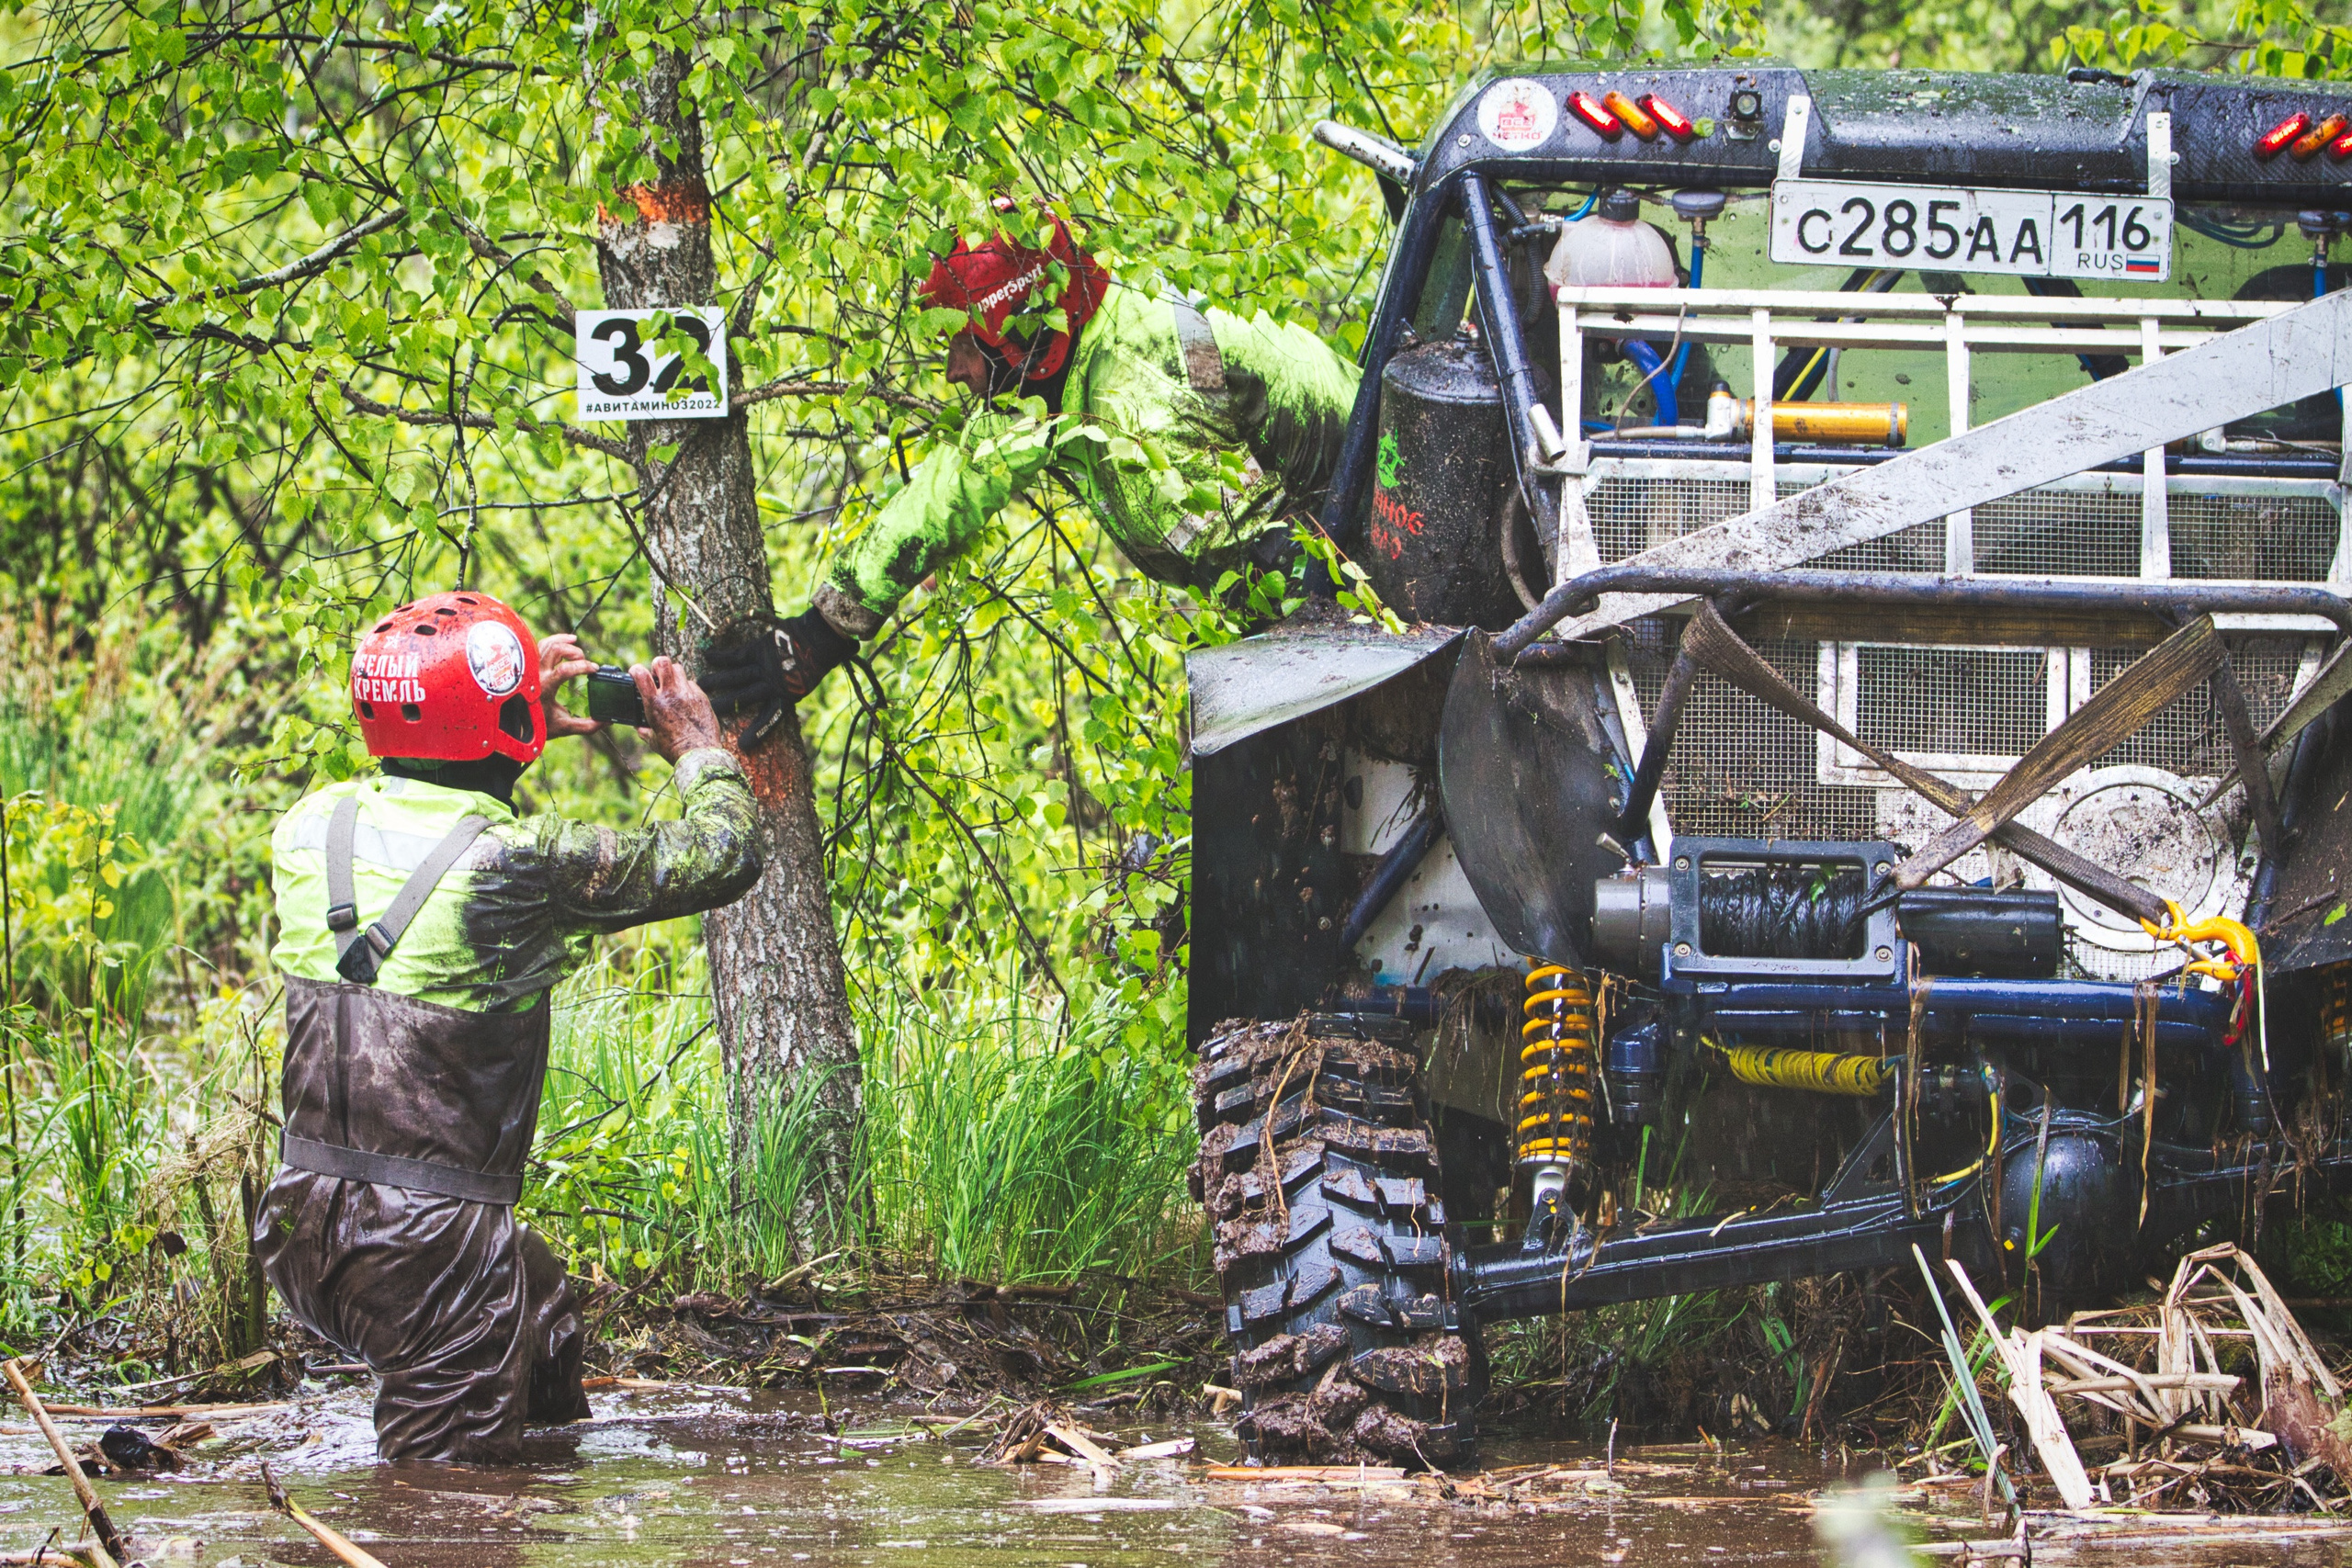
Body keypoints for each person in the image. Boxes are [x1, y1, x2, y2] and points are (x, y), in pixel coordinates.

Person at [254, 589, 762, 1462]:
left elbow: (420, 796)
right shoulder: (518, 864)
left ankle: (538, 1451)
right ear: (507, 720)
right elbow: (726, 853)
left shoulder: (307, 828)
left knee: (540, 1303)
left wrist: (505, 726)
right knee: (452, 1519)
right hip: (427, 1245)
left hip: (298, 1222)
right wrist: (698, 746)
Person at [701, 206, 1362, 737]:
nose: (953, 371)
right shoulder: (1059, 377)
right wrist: (824, 629)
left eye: (966, 347)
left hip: (1379, 539)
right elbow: (952, 486)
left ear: (1023, 338)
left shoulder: (1127, 412)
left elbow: (1270, 578)